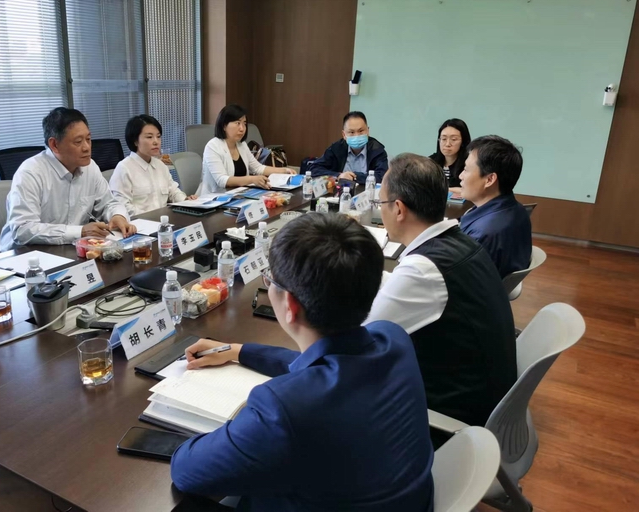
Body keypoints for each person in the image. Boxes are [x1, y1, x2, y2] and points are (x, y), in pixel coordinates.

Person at [171, 213, 434, 512]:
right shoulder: (392, 338)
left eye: (270, 279)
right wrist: (238, 351)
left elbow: (185, 471)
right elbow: (327, 365)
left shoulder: (283, 411)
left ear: (290, 305)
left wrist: (242, 430)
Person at [366, 153, 516, 438]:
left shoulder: (424, 270)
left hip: (448, 423)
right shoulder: (459, 242)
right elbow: (405, 289)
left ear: (399, 209)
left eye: (380, 203)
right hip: (480, 394)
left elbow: (361, 339)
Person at [0, 107, 136, 251]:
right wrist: (80, 232)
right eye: (78, 141)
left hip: (69, 249)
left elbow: (109, 203)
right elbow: (22, 229)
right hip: (25, 255)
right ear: (54, 145)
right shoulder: (30, 173)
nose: (87, 147)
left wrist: (118, 216)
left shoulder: (90, 167)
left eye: (88, 139)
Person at [459, 135, 532, 278]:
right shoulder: (517, 209)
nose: (461, 176)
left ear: (489, 179)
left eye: (466, 170)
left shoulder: (482, 234)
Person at [109, 115, 196, 217]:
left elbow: (173, 191)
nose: (156, 142)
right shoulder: (124, 168)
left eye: (158, 136)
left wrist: (185, 200)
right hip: (139, 223)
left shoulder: (160, 165)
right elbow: (122, 207)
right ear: (135, 141)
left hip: (164, 221)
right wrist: (151, 217)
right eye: (149, 137)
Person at [197, 104, 295, 195]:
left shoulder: (241, 145)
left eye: (244, 124)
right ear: (224, 126)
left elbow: (258, 168)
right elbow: (222, 180)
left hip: (239, 195)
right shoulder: (213, 146)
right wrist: (252, 179)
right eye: (237, 123)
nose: (242, 128)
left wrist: (284, 170)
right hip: (215, 199)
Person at [310, 111, 388, 183]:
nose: (357, 135)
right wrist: (338, 175)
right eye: (351, 132)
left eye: (361, 131)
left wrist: (354, 177)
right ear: (344, 135)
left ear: (368, 131)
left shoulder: (377, 150)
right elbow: (314, 169)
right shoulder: (336, 148)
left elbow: (382, 176)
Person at [428, 118, 471, 196]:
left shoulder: (469, 164)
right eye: (444, 139)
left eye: (453, 139)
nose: (447, 144)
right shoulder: (430, 162)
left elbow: (471, 191)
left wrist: (445, 190)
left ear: (463, 142)